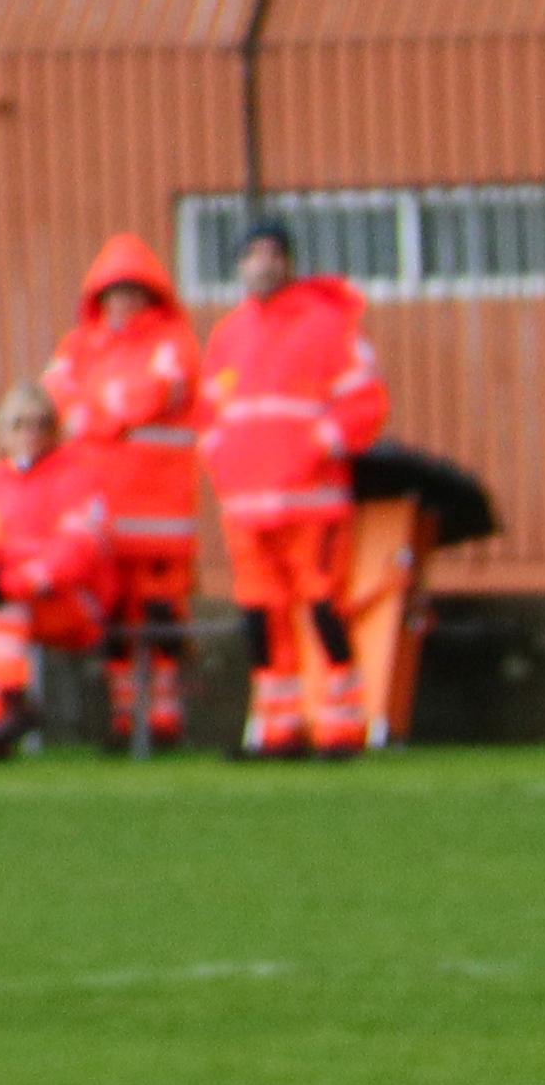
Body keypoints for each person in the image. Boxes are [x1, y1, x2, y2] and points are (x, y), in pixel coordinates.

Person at [196, 224, 389, 760]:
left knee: (324, 605)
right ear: (239, 266)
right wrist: (222, 457)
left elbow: (365, 403)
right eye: (252, 254)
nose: (262, 264)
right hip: (245, 505)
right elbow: (209, 413)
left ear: (290, 263)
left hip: (311, 501)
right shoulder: (229, 335)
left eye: (273, 253)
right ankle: (277, 728)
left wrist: (316, 446)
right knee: (260, 614)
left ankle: (342, 724)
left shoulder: (328, 326)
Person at [42, 237, 206, 755]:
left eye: (134, 292)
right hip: (103, 516)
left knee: (160, 616)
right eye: (114, 293)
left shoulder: (173, 341)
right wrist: (105, 413)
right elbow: (54, 399)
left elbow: (154, 394)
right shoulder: (78, 345)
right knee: (113, 619)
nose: (124, 303)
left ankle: (163, 718)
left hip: (159, 517)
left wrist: (95, 414)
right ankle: (125, 715)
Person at [0, 386, 109, 762]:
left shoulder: (76, 479)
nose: (30, 433)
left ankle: (5, 713)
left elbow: (74, 556)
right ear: (1, 433)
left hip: (71, 603)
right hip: (22, 607)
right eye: (19, 424)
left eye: (40, 424)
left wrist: (8, 586)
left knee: (2, 611)